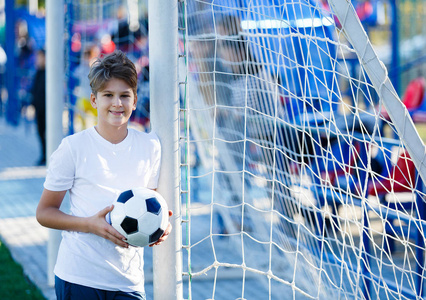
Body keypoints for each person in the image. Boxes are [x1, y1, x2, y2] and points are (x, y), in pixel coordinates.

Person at [36, 50, 172, 300]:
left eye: (124, 95)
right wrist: (90, 224)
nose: (117, 103)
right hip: (79, 276)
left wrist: (159, 226)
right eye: (108, 95)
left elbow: (149, 205)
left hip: (128, 280)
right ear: (94, 100)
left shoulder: (150, 147)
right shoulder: (73, 148)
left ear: (134, 99)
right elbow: (44, 213)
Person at [31, 49, 46, 165]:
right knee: (40, 131)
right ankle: (43, 154)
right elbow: (34, 90)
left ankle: (46, 155)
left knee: (46, 131)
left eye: (40, 57)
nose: (38, 60)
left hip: (46, 110)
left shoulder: (48, 74)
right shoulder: (37, 73)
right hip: (38, 108)